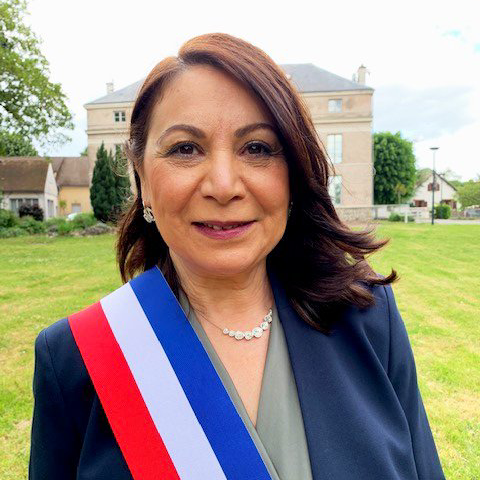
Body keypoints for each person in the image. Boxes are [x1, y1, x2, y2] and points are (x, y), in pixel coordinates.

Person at [29, 33, 445, 480]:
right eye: (185, 148)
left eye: (257, 148)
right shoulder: (76, 359)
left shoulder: (369, 320)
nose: (224, 186)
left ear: (292, 175)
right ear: (143, 179)